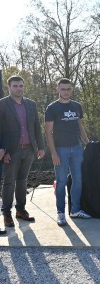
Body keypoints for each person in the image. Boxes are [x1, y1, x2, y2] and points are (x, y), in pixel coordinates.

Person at [45, 78, 92, 226]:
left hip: (77, 149)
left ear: (72, 89)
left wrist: (88, 144)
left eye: (69, 89)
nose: (66, 91)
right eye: (63, 89)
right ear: (57, 89)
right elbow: (48, 132)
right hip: (60, 150)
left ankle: (75, 210)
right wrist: (53, 153)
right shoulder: (52, 108)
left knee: (78, 180)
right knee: (61, 182)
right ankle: (60, 213)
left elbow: (80, 127)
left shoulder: (77, 106)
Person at [0, 75, 45, 228]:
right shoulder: (2, 104)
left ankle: (21, 210)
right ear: (9, 87)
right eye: (15, 86)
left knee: (22, 181)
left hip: (29, 150)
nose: (18, 88)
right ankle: (6, 213)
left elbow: (36, 127)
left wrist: (41, 146)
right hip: (11, 151)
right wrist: (3, 151)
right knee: (9, 183)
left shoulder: (31, 104)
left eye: (20, 85)